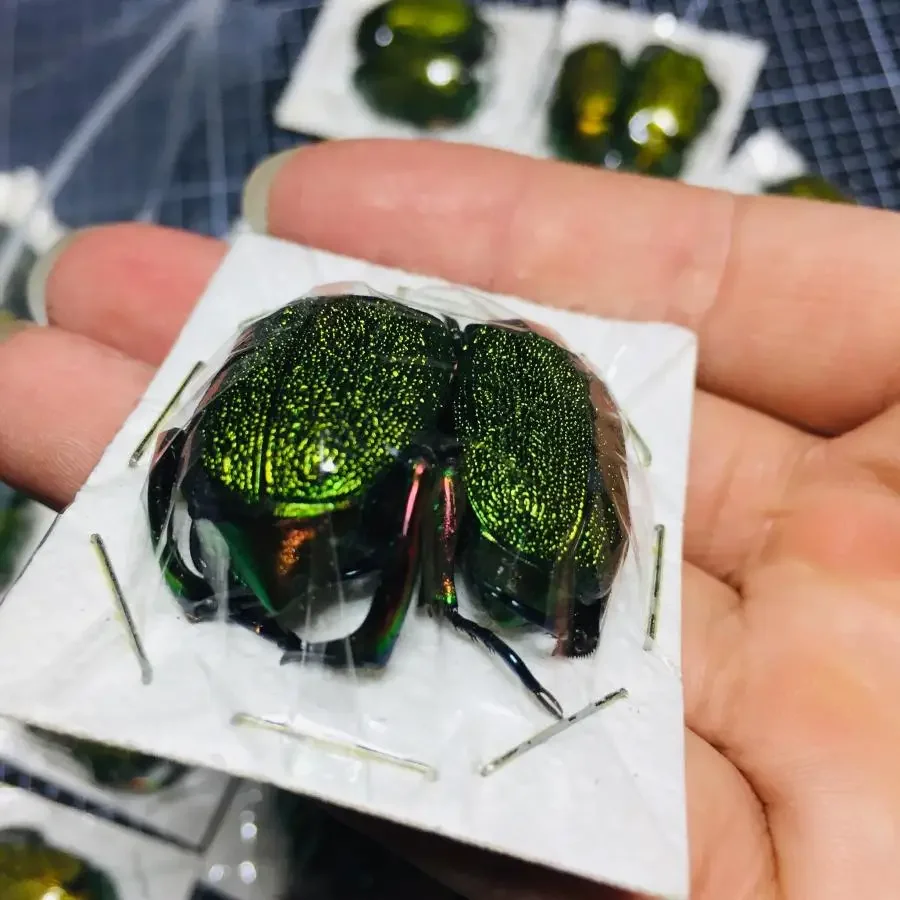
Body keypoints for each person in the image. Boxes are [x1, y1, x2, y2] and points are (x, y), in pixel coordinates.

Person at [1, 140, 898, 899]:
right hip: (303, 464)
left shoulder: (468, 417)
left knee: (481, 531)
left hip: (351, 465)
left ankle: (354, 608)